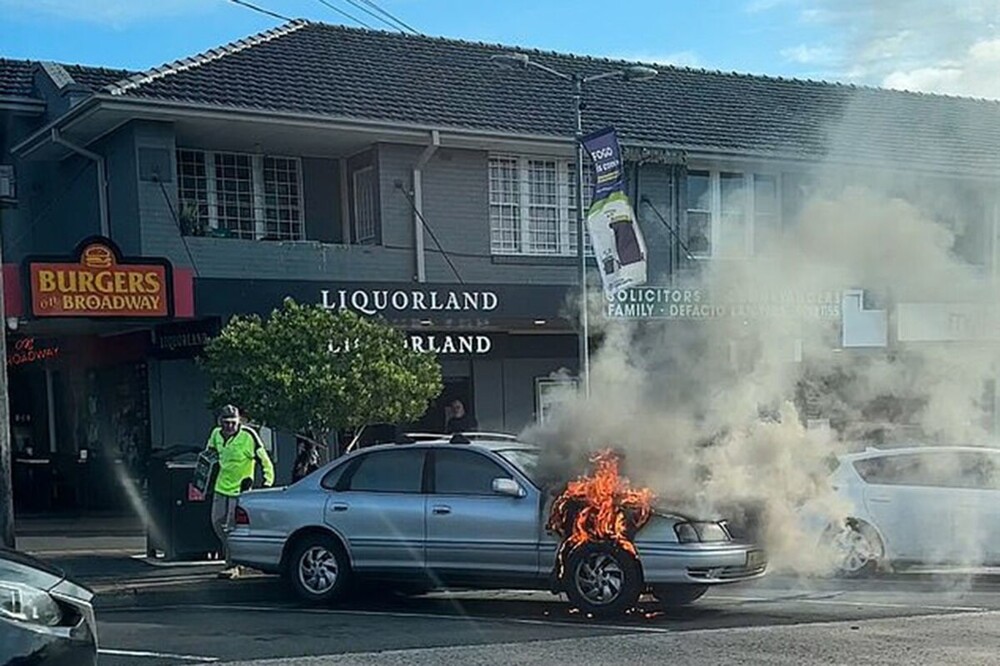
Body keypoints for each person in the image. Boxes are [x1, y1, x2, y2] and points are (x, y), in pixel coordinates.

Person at [206, 404, 274, 579]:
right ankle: (235, 554)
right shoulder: (215, 434)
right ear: (220, 422)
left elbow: (264, 460)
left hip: (240, 490)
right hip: (221, 487)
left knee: (231, 526)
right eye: (226, 422)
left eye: (233, 422)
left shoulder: (249, 436)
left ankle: (233, 564)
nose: (229, 426)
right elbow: (208, 456)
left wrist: (267, 482)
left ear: (238, 422)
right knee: (216, 522)